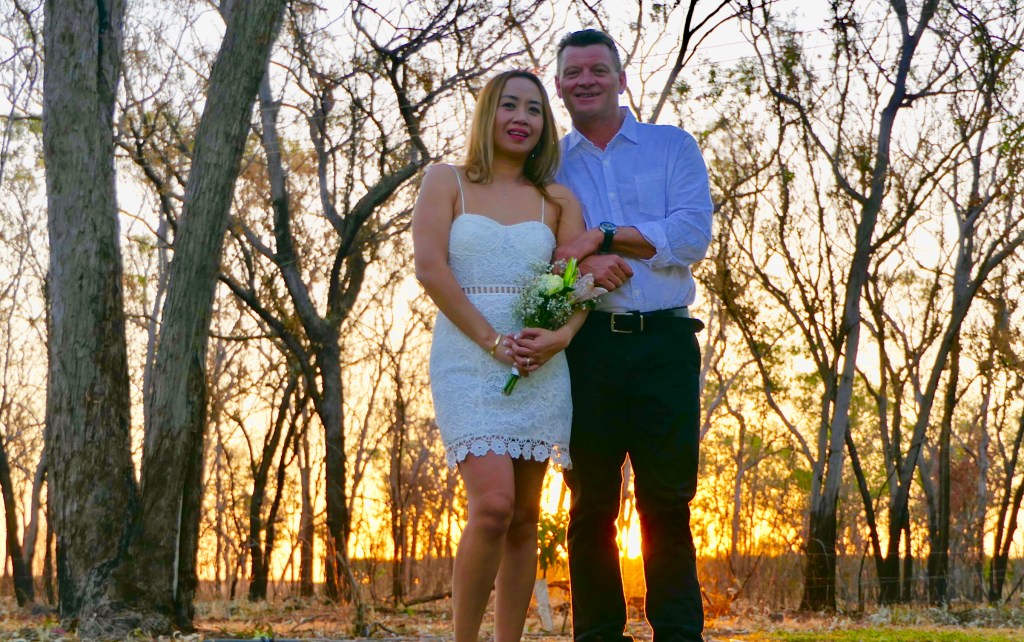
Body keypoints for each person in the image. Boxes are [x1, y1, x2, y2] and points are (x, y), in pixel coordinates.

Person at [412, 70, 588, 642]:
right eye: (510, 105)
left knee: (523, 519)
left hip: (538, 365)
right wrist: (491, 340)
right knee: (492, 506)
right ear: (488, 113)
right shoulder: (446, 181)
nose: (522, 118)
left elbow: (580, 284)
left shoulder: (557, 199)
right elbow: (430, 268)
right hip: (469, 358)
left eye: (534, 109)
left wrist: (561, 337)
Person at [552, 28, 714, 642]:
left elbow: (690, 237)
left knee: (666, 501)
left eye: (598, 69)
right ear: (560, 85)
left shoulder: (671, 147)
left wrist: (602, 236)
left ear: (621, 79)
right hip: (587, 347)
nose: (586, 80)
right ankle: (598, 635)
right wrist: (583, 264)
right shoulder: (550, 163)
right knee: (590, 504)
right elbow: (542, 254)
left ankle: (679, 633)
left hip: (665, 345)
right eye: (573, 72)